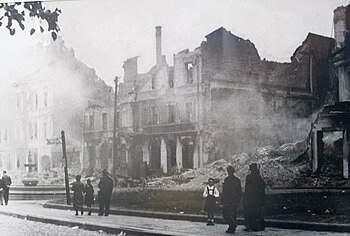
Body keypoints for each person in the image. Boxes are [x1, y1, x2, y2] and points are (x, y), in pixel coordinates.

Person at [244, 163, 266, 232]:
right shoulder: (258, 177)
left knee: (251, 211)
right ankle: (257, 225)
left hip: (251, 197)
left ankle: (252, 225)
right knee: (256, 211)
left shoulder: (249, 177)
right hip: (256, 197)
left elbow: (247, 188)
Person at [221, 166, 241, 234]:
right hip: (230, 200)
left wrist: (238, 199)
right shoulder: (232, 180)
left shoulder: (234, 180)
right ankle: (232, 225)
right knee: (228, 214)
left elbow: (238, 191)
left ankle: (231, 227)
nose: (229, 172)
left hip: (231, 200)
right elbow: (224, 190)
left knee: (229, 214)